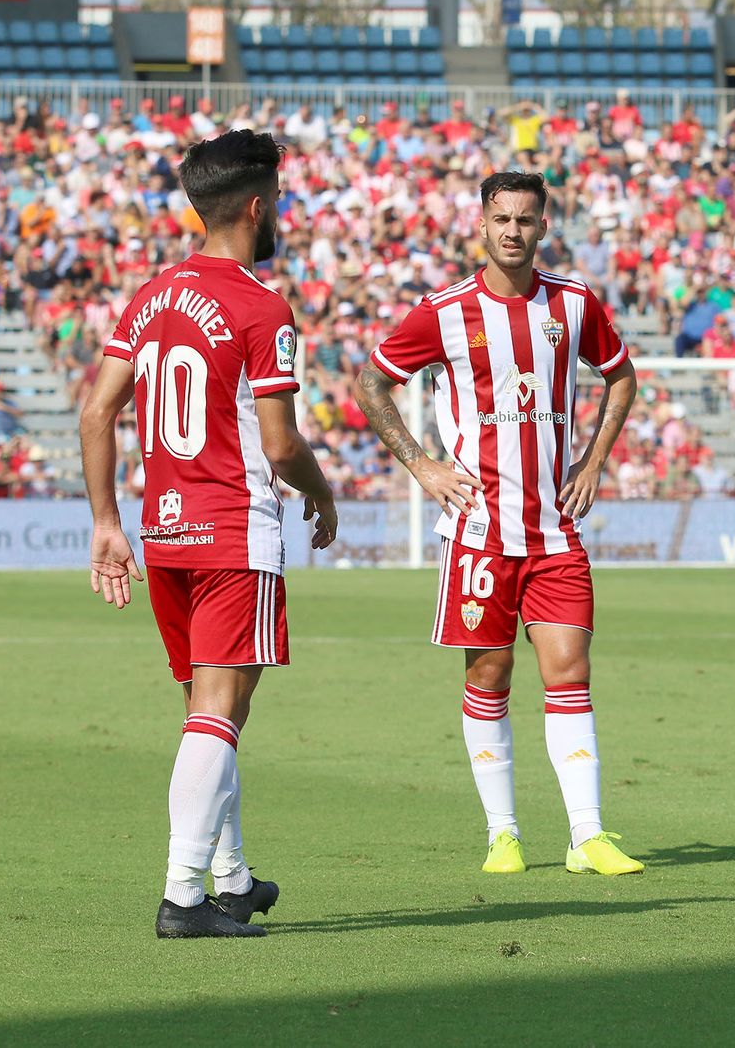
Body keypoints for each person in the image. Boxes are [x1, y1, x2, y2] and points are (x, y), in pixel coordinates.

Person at [79, 129, 339, 939]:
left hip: (165, 533)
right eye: (281, 201)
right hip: (234, 531)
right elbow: (282, 444)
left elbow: (95, 414)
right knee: (219, 712)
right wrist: (324, 498)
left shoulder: (150, 297)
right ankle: (182, 896)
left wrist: (105, 523)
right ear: (258, 207)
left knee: (212, 711)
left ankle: (229, 878)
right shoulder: (262, 305)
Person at [353, 170, 644, 877]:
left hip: (553, 534)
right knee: (490, 672)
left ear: (544, 227)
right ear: (481, 226)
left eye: (526, 219)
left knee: (570, 672)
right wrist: (421, 465)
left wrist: (593, 459)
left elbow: (621, 375)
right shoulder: (442, 312)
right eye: (502, 219)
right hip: (479, 535)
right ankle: (503, 833)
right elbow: (370, 382)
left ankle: (587, 835)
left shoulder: (574, 305)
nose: (513, 231)